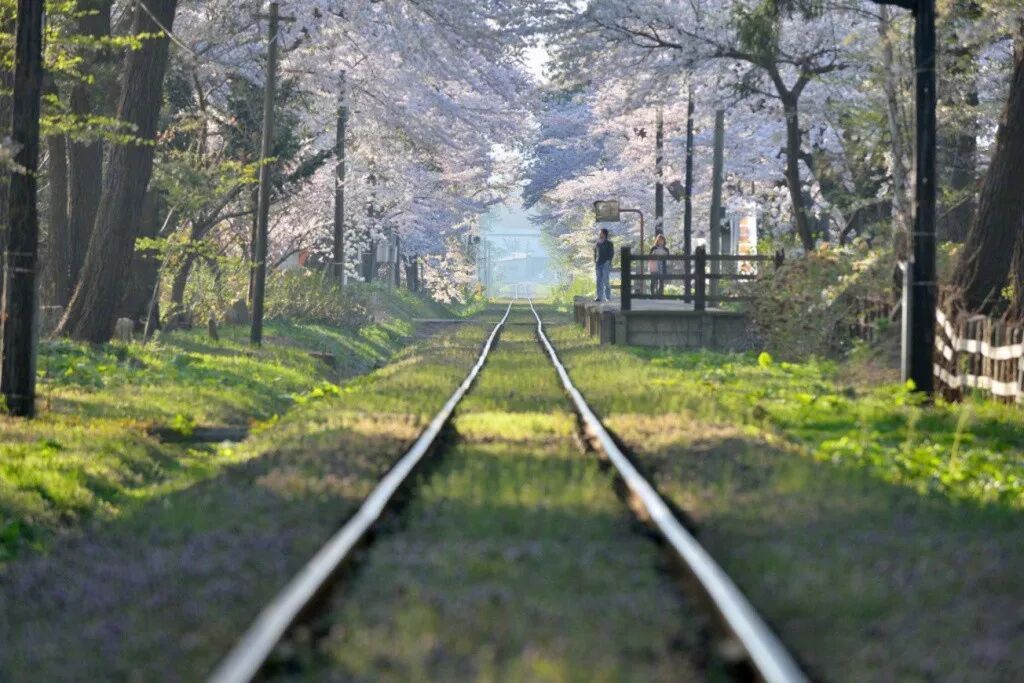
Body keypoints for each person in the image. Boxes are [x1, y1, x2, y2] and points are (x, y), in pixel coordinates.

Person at [594, 228, 614, 302]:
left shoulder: (609, 243)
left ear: (604, 234)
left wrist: (608, 262)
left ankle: (608, 297)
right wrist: (595, 262)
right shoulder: (597, 243)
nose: (599, 234)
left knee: (606, 280)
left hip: (605, 263)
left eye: (601, 233)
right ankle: (599, 297)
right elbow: (595, 254)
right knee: (598, 281)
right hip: (598, 263)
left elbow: (611, 254)